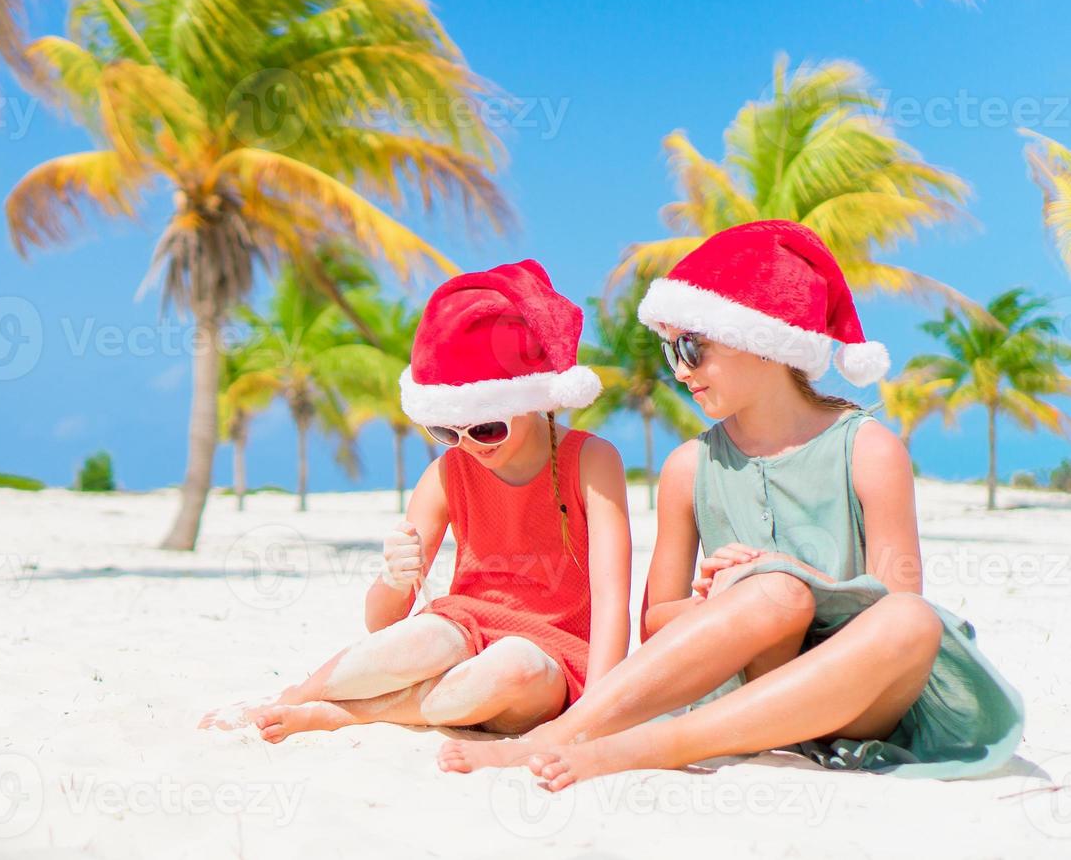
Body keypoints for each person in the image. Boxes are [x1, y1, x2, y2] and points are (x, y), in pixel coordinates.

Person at [438, 221, 1023, 785]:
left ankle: (654, 746)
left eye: (693, 347)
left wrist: (794, 575)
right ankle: (571, 733)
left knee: (906, 617)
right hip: (739, 690)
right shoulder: (690, 466)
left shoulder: (867, 449)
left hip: (853, 696)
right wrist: (711, 599)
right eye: (670, 352)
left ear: (764, 341)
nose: (680, 371)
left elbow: (895, 600)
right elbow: (656, 622)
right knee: (772, 593)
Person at [200, 260, 632, 742]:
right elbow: (383, 623)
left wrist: (593, 714)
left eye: (488, 427)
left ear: (530, 398)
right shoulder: (447, 473)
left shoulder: (591, 461)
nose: (472, 444)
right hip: (464, 628)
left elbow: (614, 600)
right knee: (423, 639)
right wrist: (394, 577)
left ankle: (343, 714)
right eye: (447, 431)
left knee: (516, 667)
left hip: (552, 656)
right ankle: (293, 699)